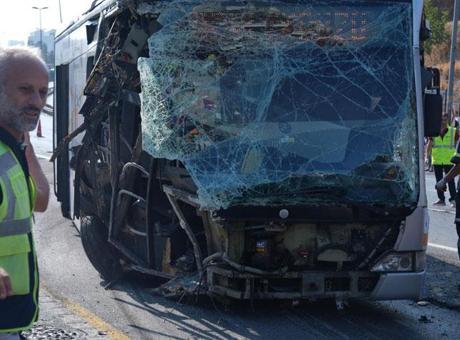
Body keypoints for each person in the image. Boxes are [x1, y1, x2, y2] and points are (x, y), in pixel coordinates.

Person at [0, 47, 50, 339]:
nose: (37, 102)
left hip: (10, 318)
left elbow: (40, 200)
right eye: (25, 89)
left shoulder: (11, 150)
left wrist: (25, 141)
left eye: (43, 92)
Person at [426, 114, 458, 207]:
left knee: (450, 180)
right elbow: (430, 144)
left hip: (449, 160)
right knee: (439, 181)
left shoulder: (453, 131)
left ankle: (453, 200)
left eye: (444, 120)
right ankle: (441, 199)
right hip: (437, 160)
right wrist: (426, 157)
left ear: (447, 120)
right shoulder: (434, 131)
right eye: (441, 120)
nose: (443, 122)